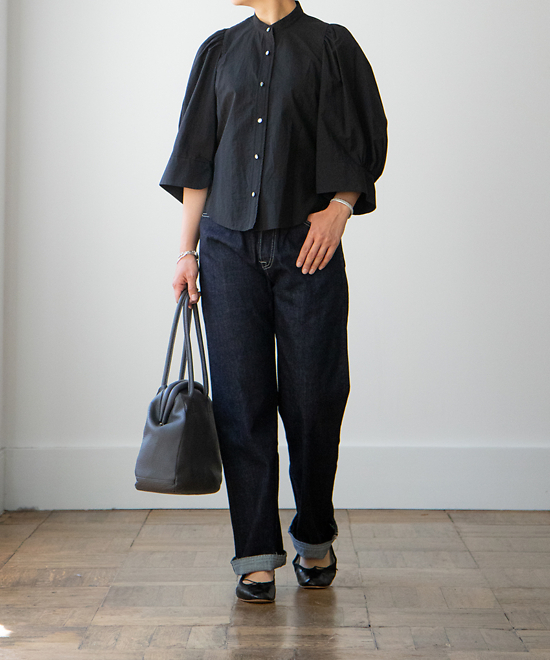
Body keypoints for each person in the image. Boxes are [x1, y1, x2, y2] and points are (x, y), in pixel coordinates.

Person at [159, 0, 387, 603]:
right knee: (241, 404)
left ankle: (314, 532)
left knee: (315, 398)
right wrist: (185, 251)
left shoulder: (330, 46)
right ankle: (256, 554)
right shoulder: (218, 51)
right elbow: (196, 158)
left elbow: (363, 137)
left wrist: (340, 208)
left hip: (306, 249)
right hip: (227, 250)